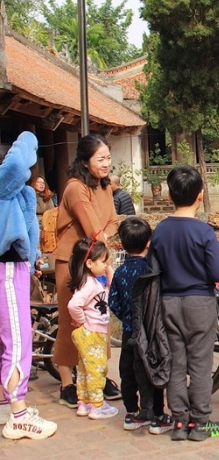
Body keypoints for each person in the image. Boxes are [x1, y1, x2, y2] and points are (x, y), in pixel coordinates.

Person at [149, 165, 219, 442]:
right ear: (200, 196)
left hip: (169, 302)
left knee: (176, 364)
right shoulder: (204, 232)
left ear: (170, 195)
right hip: (200, 304)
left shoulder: (160, 231)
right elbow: (217, 273)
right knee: (201, 365)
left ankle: (180, 422)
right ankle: (200, 422)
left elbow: (153, 268)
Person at [53, 134, 121, 409]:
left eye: (108, 158)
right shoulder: (75, 188)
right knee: (72, 321)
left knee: (99, 319)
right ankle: (67, 383)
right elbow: (94, 229)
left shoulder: (104, 186)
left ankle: (97, 375)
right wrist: (102, 237)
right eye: (100, 159)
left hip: (98, 260)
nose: (106, 164)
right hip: (73, 262)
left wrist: (104, 239)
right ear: (84, 161)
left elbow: (113, 222)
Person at [0, 134, 58, 439]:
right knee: (19, 341)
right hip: (6, 268)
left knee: (9, 340)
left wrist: (33, 257)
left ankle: (7, 405)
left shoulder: (14, 194)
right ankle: (18, 416)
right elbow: (19, 162)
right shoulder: (4, 184)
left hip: (16, 266)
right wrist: (27, 137)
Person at [108, 217, 173, 434]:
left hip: (130, 332)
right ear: (148, 243)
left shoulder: (120, 272)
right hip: (151, 332)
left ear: (123, 245)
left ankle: (131, 412)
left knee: (128, 373)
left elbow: (113, 301)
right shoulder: (152, 270)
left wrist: (127, 316)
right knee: (151, 370)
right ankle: (157, 414)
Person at [66, 237, 119, 420]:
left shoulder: (92, 282)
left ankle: (84, 402)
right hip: (93, 332)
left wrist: (109, 269)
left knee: (84, 369)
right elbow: (74, 305)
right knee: (97, 369)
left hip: (91, 332)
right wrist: (82, 322)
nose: (106, 266)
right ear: (89, 263)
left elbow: (110, 289)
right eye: (103, 262)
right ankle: (97, 405)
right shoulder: (89, 284)